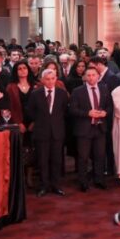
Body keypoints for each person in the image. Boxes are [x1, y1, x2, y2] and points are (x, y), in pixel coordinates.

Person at [26, 68, 69, 196]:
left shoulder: (62, 93)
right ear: (42, 80)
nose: (50, 81)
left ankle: (56, 185)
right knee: (42, 161)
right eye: (47, 79)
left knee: (56, 160)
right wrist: (40, 120)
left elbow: (65, 111)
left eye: (52, 79)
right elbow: (30, 111)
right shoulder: (35, 94)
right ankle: (44, 186)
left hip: (57, 131)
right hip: (41, 131)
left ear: (56, 79)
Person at [70, 65, 112, 191]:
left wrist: (105, 112)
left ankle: (99, 180)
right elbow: (72, 110)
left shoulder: (104, 89)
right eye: (88, 75)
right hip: (84, 128)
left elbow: (110, 106)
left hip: (100, 127)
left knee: (100, 155)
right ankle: (83, 182)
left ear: (98, 76)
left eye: (93, 75)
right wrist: (87, 113)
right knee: (83, 157)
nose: (91, 77)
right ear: (84, 77)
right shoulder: (77, 91)